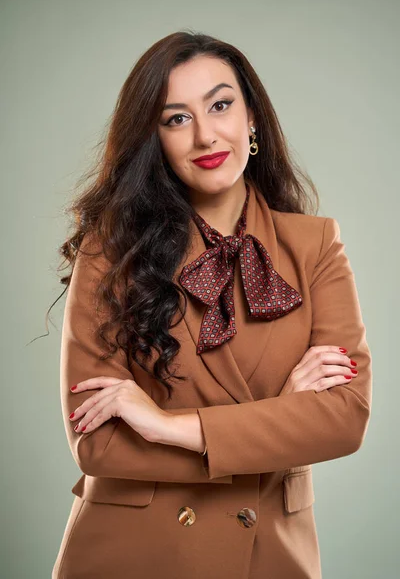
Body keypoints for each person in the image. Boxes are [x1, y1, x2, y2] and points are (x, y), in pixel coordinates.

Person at [51, 30, 372, 579]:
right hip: (133, 554)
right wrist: (280, 420)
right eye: (176, 118)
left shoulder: (315, 245)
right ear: (155, 139)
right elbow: (98, 445)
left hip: (269, 553)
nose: (205, 135)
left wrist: (167, 426)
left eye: (221, 105)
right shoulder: (111, 251)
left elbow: (344, 419)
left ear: (251, 120)